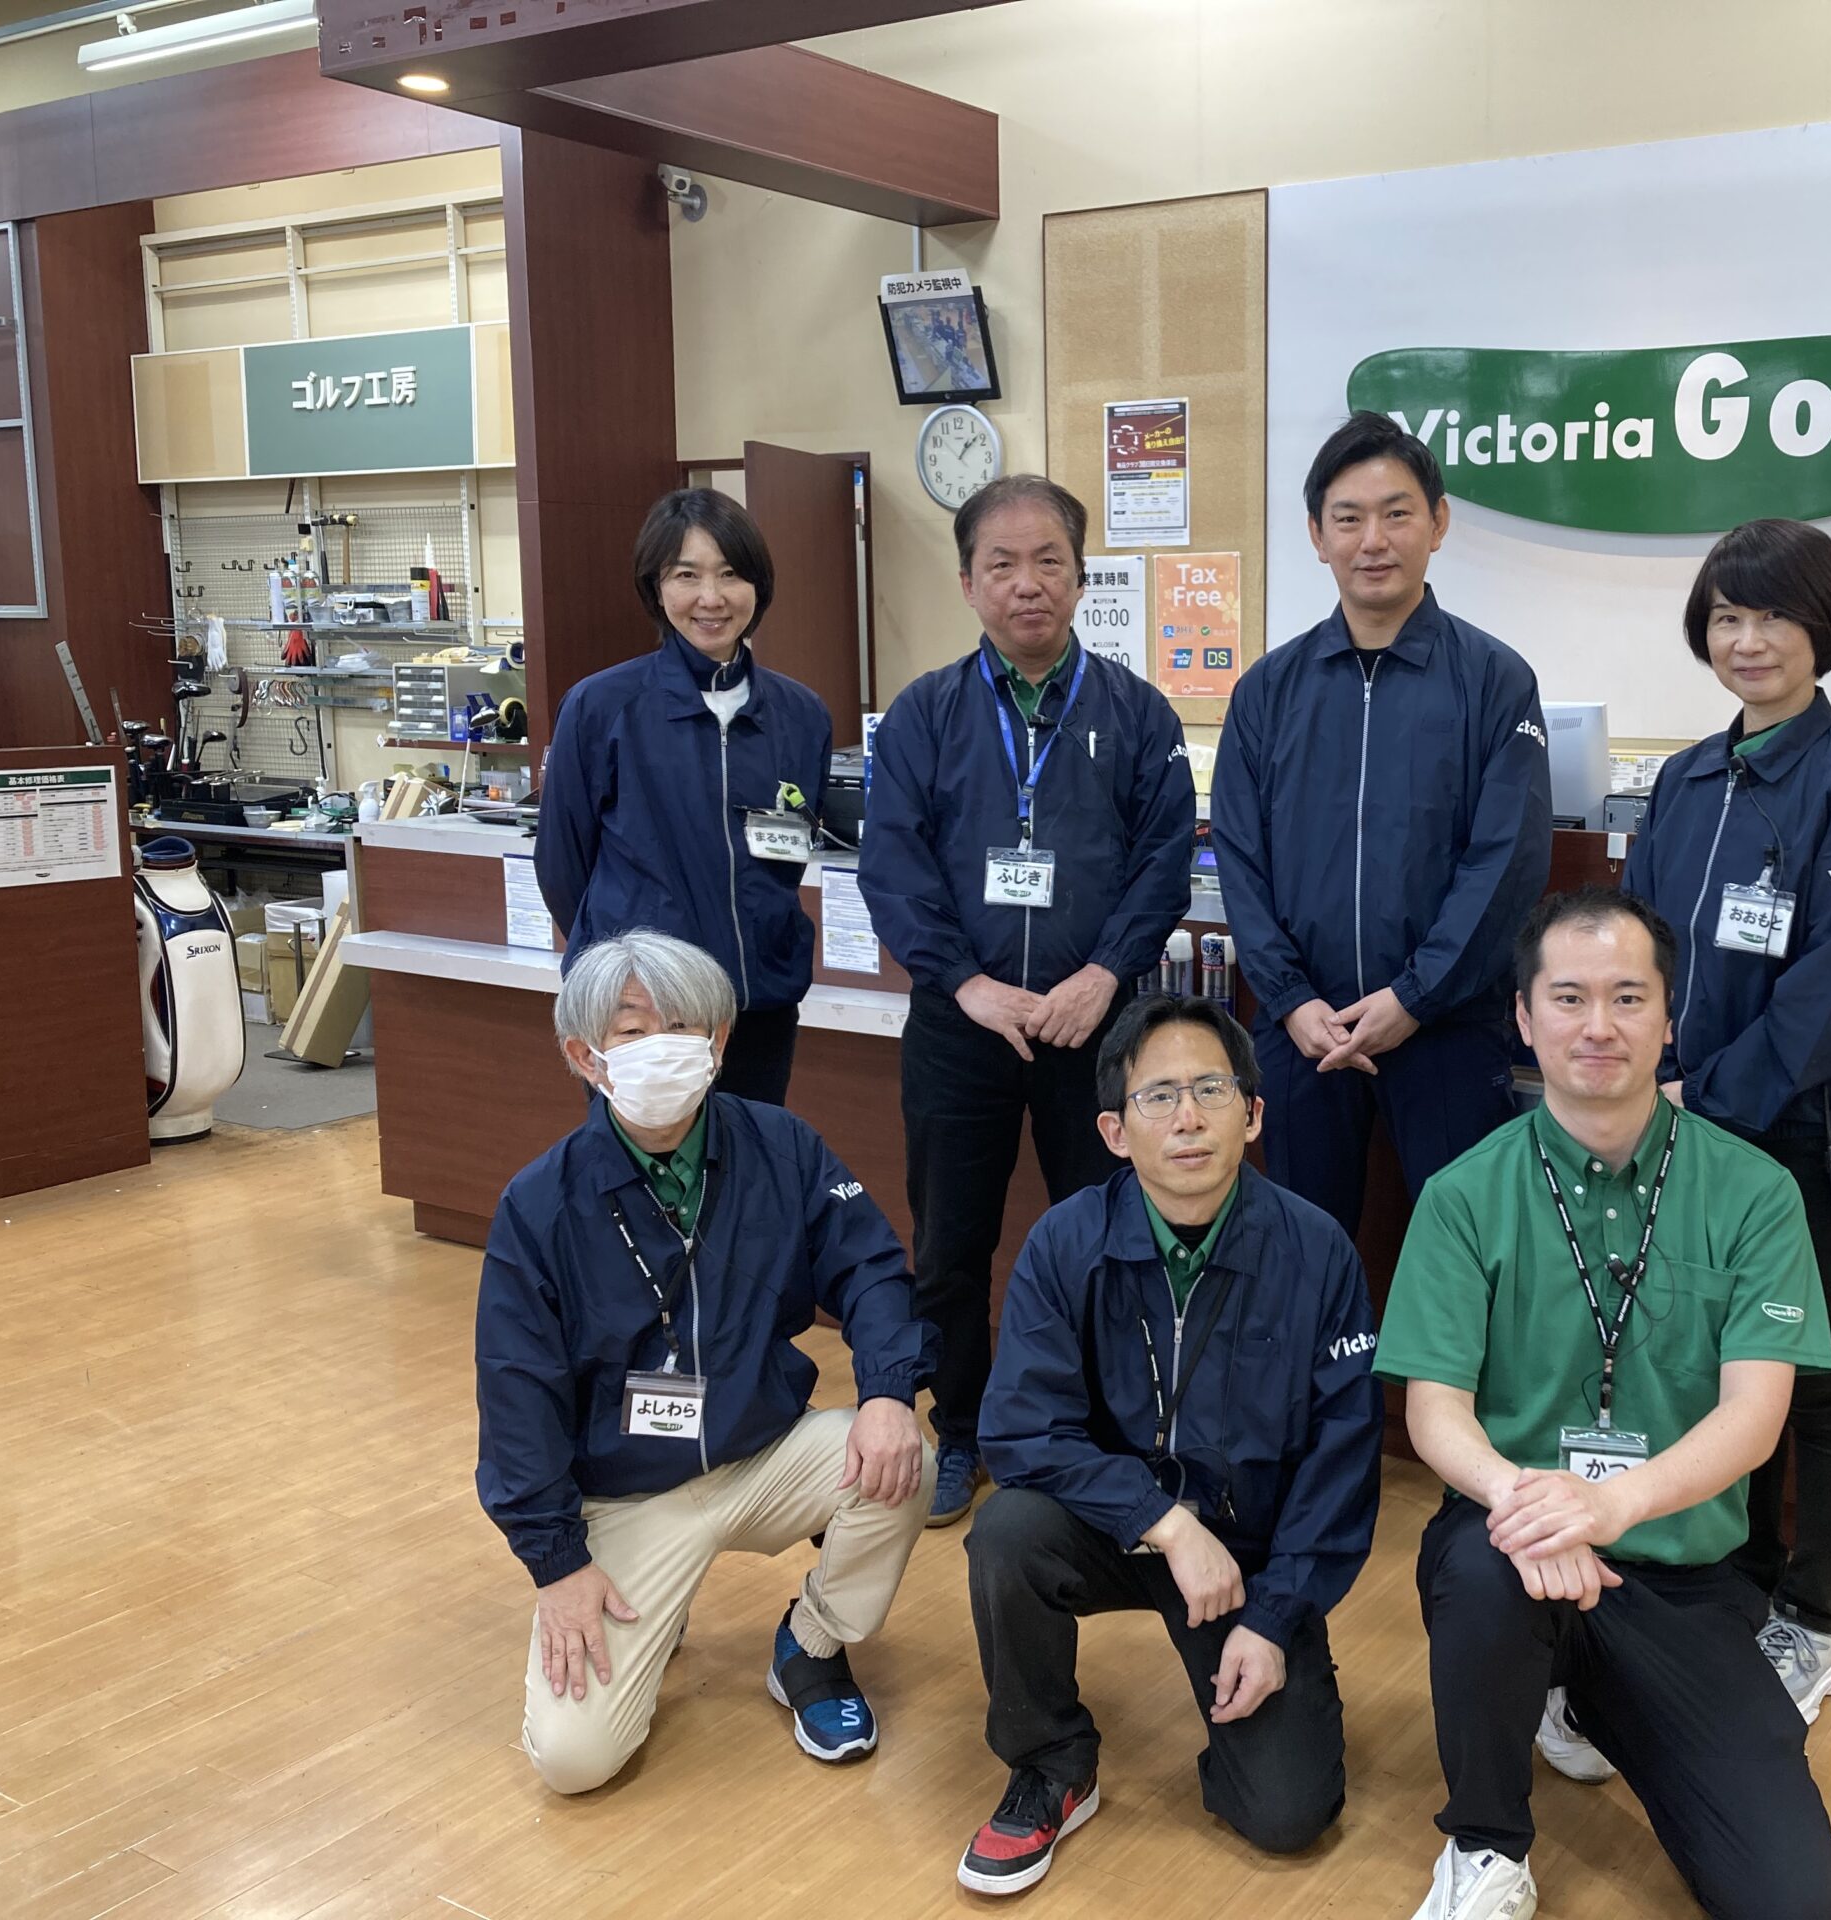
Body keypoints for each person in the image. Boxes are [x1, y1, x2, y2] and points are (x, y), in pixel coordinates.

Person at [1376, 889, 1831, 1920]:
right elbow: (1434, 1411)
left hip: (1679, 1569)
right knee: (1478, 1568)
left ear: (1670, 1018)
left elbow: (1755, 1417)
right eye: (1569, 997)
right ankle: (1487, 1845)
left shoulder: (1755, 1192)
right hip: (1514, 1549)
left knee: (1786, 1899)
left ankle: (1584, 1696)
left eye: (1628, 998)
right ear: (1523, 1016)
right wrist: (1528, 1503)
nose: (1598, 1026)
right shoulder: (1463, 1194)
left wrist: (1612, 1505)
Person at [474, 929, 937, 1794]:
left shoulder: (782, 1147)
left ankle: (812, 1645)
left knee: (905, 1462)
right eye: (632, 1031)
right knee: (574, 1763)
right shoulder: (539, 1205)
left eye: (685, 1027)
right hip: (623, 1497)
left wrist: (886, 1394)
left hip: (758, 1454)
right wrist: (557, 1566)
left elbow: (872, 1270)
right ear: (585, 1057)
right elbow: (516, 1401)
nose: (663, 1048)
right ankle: (657, 1600)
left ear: (720, 1041)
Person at [956, 994, 1382, 1895]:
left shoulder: (1318, 1251)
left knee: (1288, 1814)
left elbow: (1340, 1464)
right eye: (1158, 1097)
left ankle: (1260, 1691)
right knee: (1008, 1533)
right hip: (1115, 1527)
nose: (1187, 1118)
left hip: (1247, 1558)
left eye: (1210, 1090)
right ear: (1115, 1132)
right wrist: (1165, 1523)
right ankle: (1050, 1762)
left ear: (1252, 1114)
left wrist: (1273, 1620)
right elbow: (1021, 1428)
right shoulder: (1065, 1241)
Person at [1620, 517, 1831, 1724]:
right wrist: (1645, 1078)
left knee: (1823, 1384)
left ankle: (1812, 1619)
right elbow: (1639, 950)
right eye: (1725, 618)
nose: (1747, 641)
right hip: (1689, 1130)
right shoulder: (1687, 781)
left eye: (1772, 616)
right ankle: (1733, 1586)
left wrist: (1704, 1098)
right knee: (1714, 1378)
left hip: (1810, 1140)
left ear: (1822, 629)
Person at [859, 474, 1197, 1526]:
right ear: (968, 584)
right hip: (961, 1026)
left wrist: (1102, 974)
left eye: (1048, 560)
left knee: (1109, 1236)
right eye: (1000, 564)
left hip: (1095, 1028)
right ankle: (960, 1427)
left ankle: (1096, 1429)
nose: (1026, 583)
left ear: (1081, 577)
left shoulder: (1137, 715)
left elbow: (1163, 863)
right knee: (949, 1243)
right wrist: (966, 982)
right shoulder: (922, 716)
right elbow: (892, 866)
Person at [1209, 408, 1552, 1239]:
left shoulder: (1495, 680)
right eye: (1348, 518)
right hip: (1305, 1032)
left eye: (1397, 514)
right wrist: (1291, 1000)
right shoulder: (1268, 691)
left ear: (1437, 523)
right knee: (1303, 1253)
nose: (1373, 540)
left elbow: (1505, 863)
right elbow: (1241, 859)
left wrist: (1414, 997)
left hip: (1446, 1028)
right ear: (1316, 535)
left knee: (1465, 1254)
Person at [534, 489, 835, 1106]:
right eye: (687, 575)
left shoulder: (801, 714)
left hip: (759, 1004)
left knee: (750, 1156)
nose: (711, 598)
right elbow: (563, 866)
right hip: (643, 1012)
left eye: (731, 574)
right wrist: (620, 972)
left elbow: (790, 853)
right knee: (641, 1164)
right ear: (656, 587)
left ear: (758, 586)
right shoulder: (602, 706)